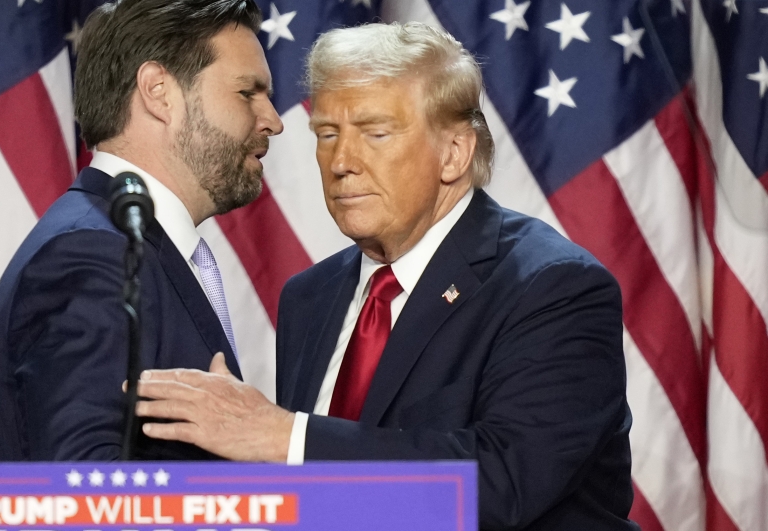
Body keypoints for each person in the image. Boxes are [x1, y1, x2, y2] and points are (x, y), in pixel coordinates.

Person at [132, 22, 639, 530]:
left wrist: (282, 437)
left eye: (375, 133)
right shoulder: (309, 298)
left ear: (454, 153)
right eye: (327, 134)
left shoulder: (553, 287)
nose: (341, 162)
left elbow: (500, 486)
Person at [0, 0, 283, 461]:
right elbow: (86, 497)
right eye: (247, 93)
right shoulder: (92, 256)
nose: (273, 121)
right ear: (158, 91)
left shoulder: (123, 244)